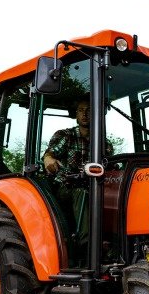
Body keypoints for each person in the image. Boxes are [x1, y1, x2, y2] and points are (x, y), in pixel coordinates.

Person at [42, 95, 113, 248]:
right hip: (66, 188)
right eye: (81, 110)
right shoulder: (66, 135)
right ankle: (87, 243)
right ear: (76, 114)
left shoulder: (103, 143)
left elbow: (111, 165)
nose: (85, 114)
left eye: (89, 110)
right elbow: (49, 155)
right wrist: (48, 159)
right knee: (81, 191)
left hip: (96, 186)